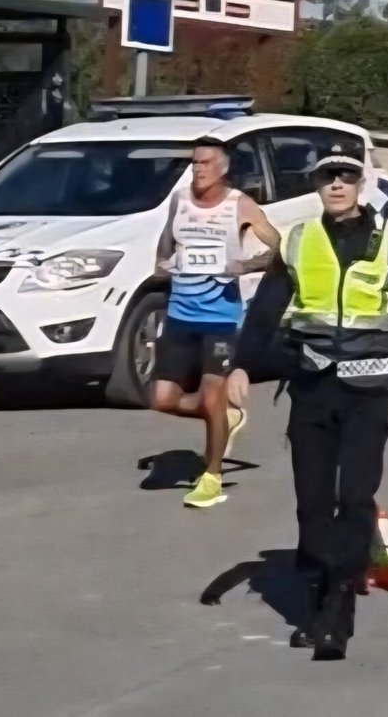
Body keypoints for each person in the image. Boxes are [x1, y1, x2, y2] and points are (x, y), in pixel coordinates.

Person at [227, 141, 388, 661]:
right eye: (327, 176)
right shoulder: (299, 241)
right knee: (312, 504)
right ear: (316, 184)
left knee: (354, 498)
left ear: (361, 184)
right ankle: (317, 595)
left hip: (370, 389)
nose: (335, 184)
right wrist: (239, 364)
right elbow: (266, 309)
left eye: (345, 176)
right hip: (311, 387)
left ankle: (335, 613)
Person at [152, 136, 282, 510]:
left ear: (223, 168)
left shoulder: (238, 204)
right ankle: (225, 415)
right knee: (162, 399)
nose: (198, 169)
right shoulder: (179, 201)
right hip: (180, 317)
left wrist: (245, 264)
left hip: (221, 320)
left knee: (211, 394)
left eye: (206, 163)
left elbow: (277, 248)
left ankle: (212, 475)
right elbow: (166, 243)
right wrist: (163, 263)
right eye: (194, 163)